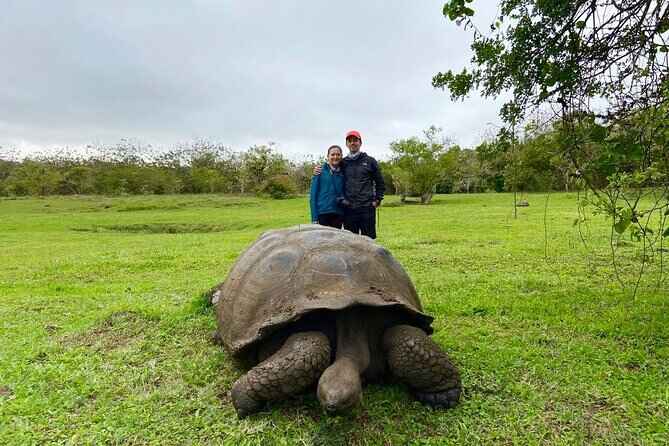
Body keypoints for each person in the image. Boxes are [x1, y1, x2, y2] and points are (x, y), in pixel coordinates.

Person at [314, 130, 385, 238]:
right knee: (351, 242)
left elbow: (380, 182)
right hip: (349, 209)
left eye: (355, 140)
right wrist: (318, 169)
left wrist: (378, 199)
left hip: (367, 208)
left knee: (369, 240)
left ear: (360, 143)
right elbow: (330, 165)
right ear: (347, 144)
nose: (353, 143)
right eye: (350, 141)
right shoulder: (343, 162)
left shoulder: (370, 161)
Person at [310, 145, 347, 228]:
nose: (335, 157)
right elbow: (313, 196)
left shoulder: (343, 172)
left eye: (338, 154)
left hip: (338, 213)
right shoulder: (319, 171)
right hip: (322, 213)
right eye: (332, 154)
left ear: (341, 156)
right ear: (328, 156)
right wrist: (314, 218)